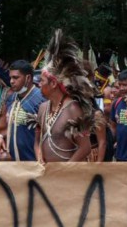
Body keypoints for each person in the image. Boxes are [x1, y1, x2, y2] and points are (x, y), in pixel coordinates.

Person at [35, 29, 97, 163]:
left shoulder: (73, 109)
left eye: (42, 81)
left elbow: (85, 147)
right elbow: (37, 141)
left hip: (69, 178)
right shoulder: (42, 108)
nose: (39, 84)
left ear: (53, 84)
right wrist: (39, 156)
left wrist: (66, 170)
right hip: (47, 175)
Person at [0, 60, 45, 161]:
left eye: (16, 77)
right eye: (11, 77)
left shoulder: (41, 99)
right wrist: (0, 136)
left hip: (34, 163)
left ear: (28, 78)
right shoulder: (11, 98)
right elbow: (11, 127)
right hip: (14, 166)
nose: (11, 81)